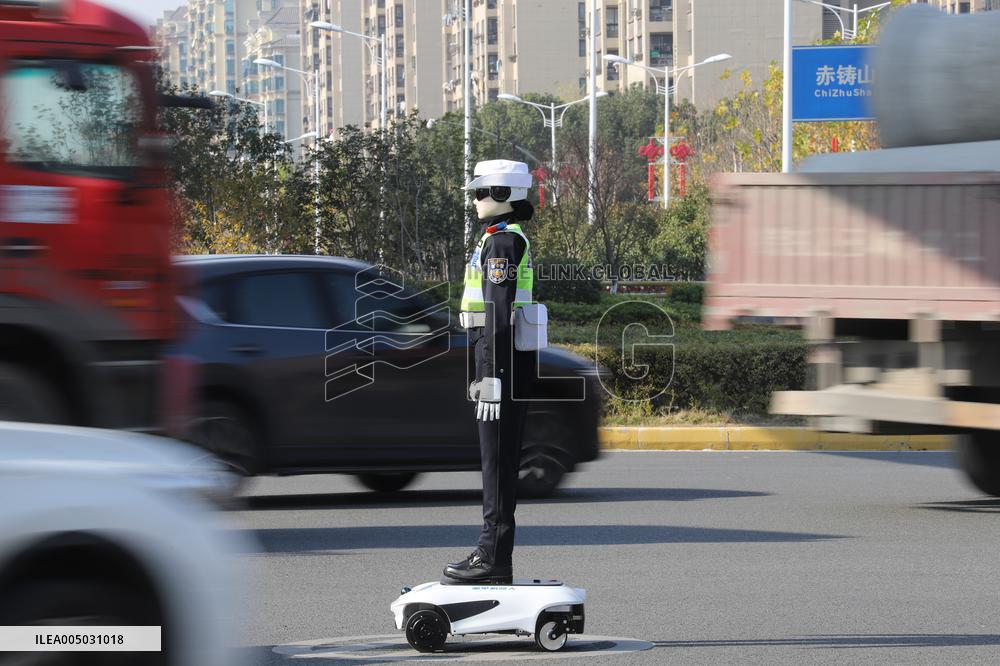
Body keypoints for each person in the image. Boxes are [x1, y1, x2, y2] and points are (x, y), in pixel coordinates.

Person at [444, 160, 538, 585]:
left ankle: (492, 556)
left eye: (482, 192)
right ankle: (494, 555)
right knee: (495, 461)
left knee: (496, 463)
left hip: (500, 366)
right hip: (499, 362)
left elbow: (498, 314)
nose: (476, 199)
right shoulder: (500, 240)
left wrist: (493, 377)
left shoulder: (502, 244)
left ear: (503, 195)